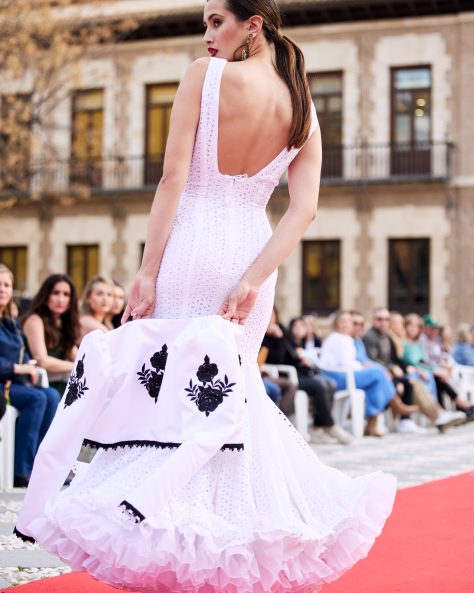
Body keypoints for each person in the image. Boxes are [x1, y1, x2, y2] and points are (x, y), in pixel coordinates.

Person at [14, 2, 396, 591]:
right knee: (226, 399)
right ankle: (225, 545)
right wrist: (252, 278)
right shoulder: (301, 101)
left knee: (172, 397)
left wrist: (146, 270)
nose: (208, 34)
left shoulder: (203, 75)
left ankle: (164, 534)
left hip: (191, 245)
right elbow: (304, 210)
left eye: (217, 20)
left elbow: (172, 180)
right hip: (253, 251)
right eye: (204, 24)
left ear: (254, 23)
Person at [0, 264, 61, 487]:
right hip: (4, 382)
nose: (3, 289)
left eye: (7, 285)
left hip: (15, 383)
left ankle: (40, 465)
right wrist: (17, 369)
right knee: (37, 399)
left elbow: (20, 353)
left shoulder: (11, 323)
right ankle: (22, 470)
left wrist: (29, 365)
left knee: (51, 395)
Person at [320, 311, 417, 437]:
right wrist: (362, 366)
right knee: (378, 371)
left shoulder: (345, 339)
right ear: (336, 324)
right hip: (336, 377)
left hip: (344, 375)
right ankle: (395, 404)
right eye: (342, 321)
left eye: (348, 321)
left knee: (375, 382)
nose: (346, 324)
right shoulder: (339, 338)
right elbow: (346, 364)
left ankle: (372, 423)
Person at [263, 309, 353, 444]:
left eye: (273, 315)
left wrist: (302, 359)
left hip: (301, 373)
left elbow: (294, 356)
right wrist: (278, 339)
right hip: (285, 376)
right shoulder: (266, 335)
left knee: (330, 383)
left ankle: (318, 427)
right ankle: (329, 425)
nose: (270, 319)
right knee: (319, 385)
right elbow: (277, 359)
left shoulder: (284, 332)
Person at [389, 312, 465, 430]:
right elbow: (410, 361)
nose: (414, 329)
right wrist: (429, 369)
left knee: (435, 378)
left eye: (417, 326)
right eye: (411, 326)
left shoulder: (416, 343)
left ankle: (442, 413)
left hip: (420, 372)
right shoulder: (401, 342)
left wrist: (435, 368)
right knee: (422, 381)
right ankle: (440, 414)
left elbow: (423, 360)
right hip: (410, 374)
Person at [362, 307, 423, 434]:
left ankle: (405, 421)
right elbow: (372, 359)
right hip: (376, 372)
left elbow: (393, 359)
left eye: (386, 319)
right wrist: (390, 368)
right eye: (379, 319)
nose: (383, 322)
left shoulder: (386, 337)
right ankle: (380, 418)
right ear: (373, 320)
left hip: (386, 371)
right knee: (394, 384)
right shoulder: (370, 337)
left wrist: (400, 368)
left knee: (408, 382)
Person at [403, 314, 473, 420]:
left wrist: (442, 367)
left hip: (429, 371)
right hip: (419, 373)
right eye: (431, 328)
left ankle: (453, 409)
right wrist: (435, 369)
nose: (434, 331)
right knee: (438, 378)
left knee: (442, 377)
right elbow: (418, 361)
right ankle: (453, 408)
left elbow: (426, 359)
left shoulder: (425, 342)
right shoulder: (416, 341)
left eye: (436, 329)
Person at [22, 274, 80, 396]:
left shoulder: (64, 323)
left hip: (60, 385)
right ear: (45, 295)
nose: (60, 299)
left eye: (66, 294)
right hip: (39, 386)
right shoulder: (35, 320)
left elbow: (77, 356)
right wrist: (76, 366)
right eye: (55, 293)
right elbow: (43, 361)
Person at [79, 275, 114, 341]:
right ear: (88, 298)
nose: (105, 299)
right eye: (99, 294)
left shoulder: (106, 322)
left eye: (109, 294)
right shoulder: (86, 321)